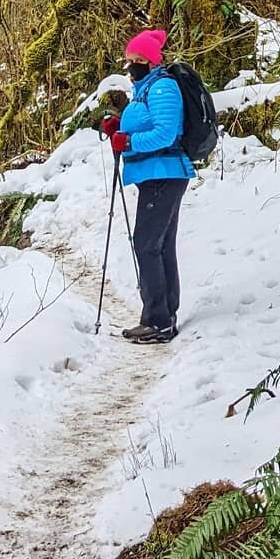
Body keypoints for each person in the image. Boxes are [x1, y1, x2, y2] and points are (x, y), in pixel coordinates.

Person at [101, 27, 193, 343]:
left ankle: (158, 321)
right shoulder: (146, 89)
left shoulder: (162, 89)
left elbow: (166, 134)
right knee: (160, 245)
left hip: (164, 175)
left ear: (153, 61)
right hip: (157, 175)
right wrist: (118, 126)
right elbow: (145, 125)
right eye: (129, 60)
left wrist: (127, 142)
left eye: (138, 59)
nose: (132, 66)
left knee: (147, 244)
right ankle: (164, 315)